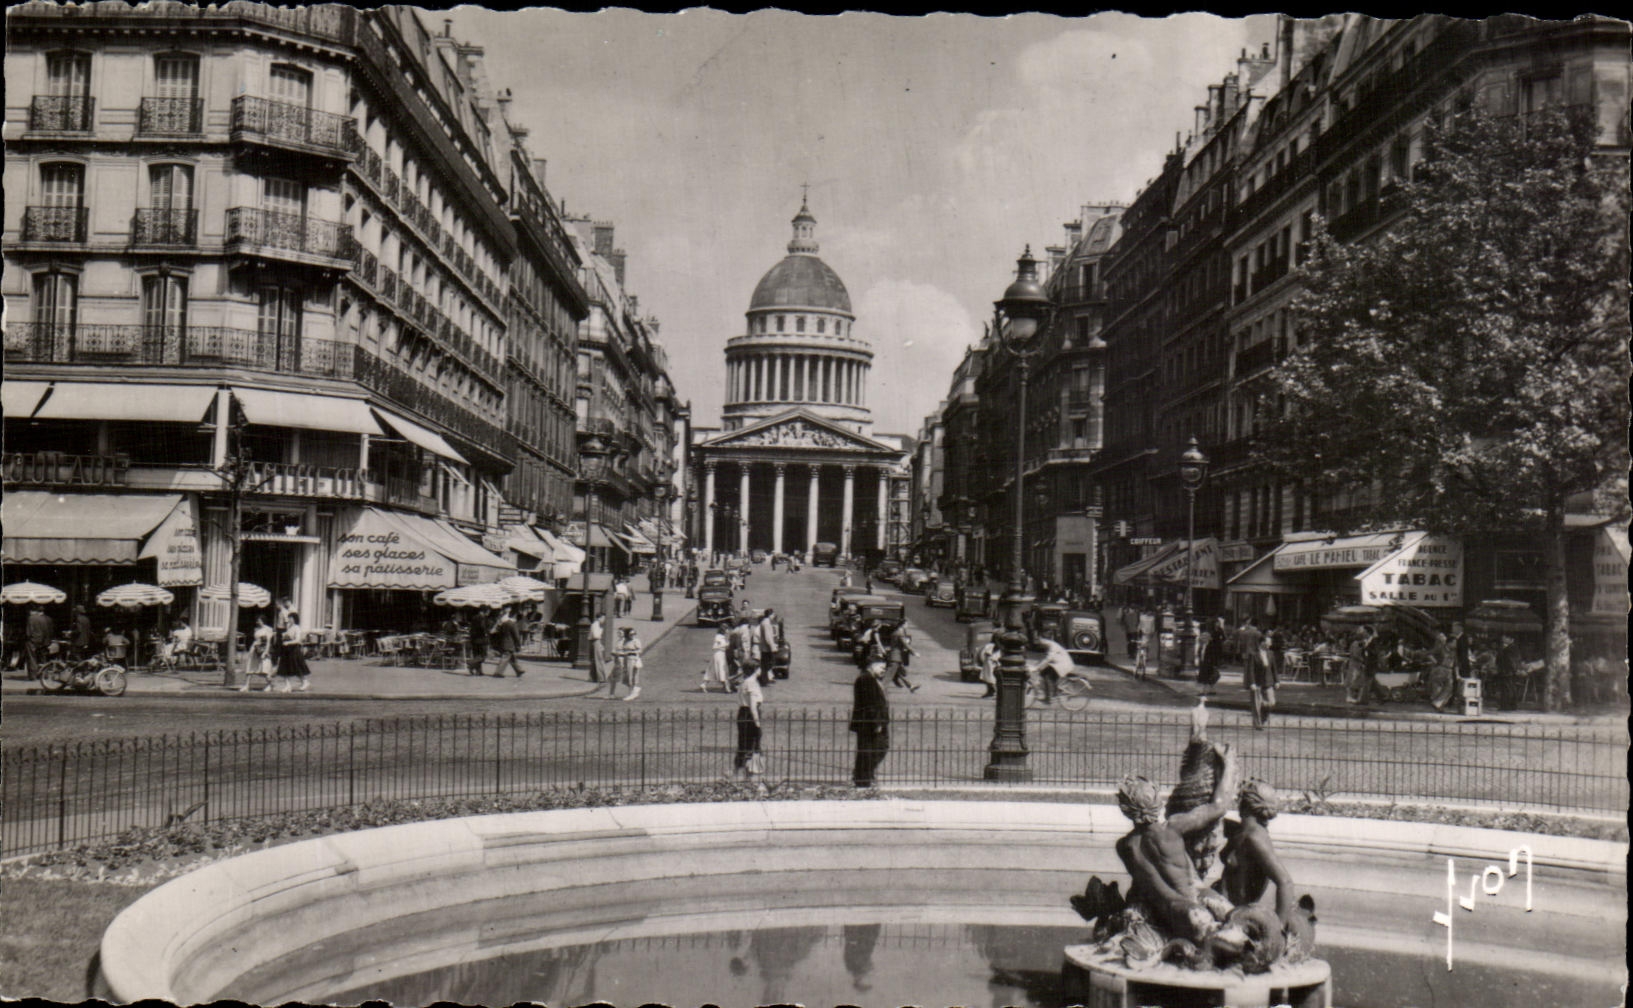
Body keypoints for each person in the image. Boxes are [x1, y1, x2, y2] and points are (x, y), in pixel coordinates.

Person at [849, 658, 890, 787]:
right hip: (869, 723)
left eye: (884, 668)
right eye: (881, 667)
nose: (884, 670)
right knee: (872, 749)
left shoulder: (871, 679)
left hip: (871, 722)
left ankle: (863, 775)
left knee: (872, 749)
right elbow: (870, 703)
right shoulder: (866, 680)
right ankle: (863, 778)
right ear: (872, 666)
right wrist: (877, 722)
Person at [733, 663, 764, 779]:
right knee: (752, 743)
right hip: (749, 714)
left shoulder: (746, 681)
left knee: (743, 743)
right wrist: (757, 722)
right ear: (755, 670)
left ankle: (740, 770)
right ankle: (750, 772)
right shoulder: (751, 683)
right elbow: (752, 704)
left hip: (743, 712)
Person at [1244, 628, 1277, 729]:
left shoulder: (1271, 654)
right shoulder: (1253, 655)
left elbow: (1274, 668)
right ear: (1262, 643)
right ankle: (1258, 724)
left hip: (1268, 682)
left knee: (1271, 702)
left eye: (1270, 643)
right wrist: (1252, 683)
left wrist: (1277, 681)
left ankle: (1263, 718)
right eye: (1268, 642)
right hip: (1257, 682)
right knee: (1256, 705)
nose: (1270, 644)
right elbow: (1250, 670)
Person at [1030, 636, 1076, 705]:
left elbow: (1048, 659)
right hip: (1058, 664)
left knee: (1047, 677)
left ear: (1044, 640)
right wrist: (1036, 665)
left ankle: (1049, 698)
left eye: (1040, 641)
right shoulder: (1049, 646)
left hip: (1063, 665)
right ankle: (1052, 694)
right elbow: (1044, 658)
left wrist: (1037, 667)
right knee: (1044, 673)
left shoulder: (1052, 647)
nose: (1040, 644)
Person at [238, 615, 277, 693]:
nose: (257, 622)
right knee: (250, 666)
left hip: (263, 650)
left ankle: (269, 684)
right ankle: (246, 685)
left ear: (263, 621)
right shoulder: (256, 629)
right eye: (257, 620)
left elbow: (268, 642)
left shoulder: (268, 629)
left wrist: (265, 652)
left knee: (265, 668)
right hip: (255, 648)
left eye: (259, 620)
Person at [275, 610, 312, 692]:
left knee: (296, 667)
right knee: (284, 668)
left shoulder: (296, 627)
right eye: (289, 618)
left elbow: (298, 640)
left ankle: (304, 682)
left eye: (291, 618)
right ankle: (287, 685)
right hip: (286, 650)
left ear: (295, 619)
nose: (289, 619)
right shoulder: (289, 627)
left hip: (294, 650)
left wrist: (288, 642)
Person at [489, 607, 525, 678]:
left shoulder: (504, 623)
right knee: (505, 657)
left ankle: (518, 670)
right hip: (510, 644)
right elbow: (516, 636)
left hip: (503, 642)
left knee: (512, 658)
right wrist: (518, 645)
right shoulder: (513, 624)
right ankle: (498, 672)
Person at [612, 626, 643, 701]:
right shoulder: (625, 641)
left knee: (632, 675)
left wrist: (631, 652)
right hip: (626, 659)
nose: (633, 635)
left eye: (634, 634)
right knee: (627, 676)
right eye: (631, 634)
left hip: (633, 659)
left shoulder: (636, 641)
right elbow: (623, 649)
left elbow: (639, 651)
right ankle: (632, 692)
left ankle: (632, 692)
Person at [24, 605, 55, 680]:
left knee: (32, 658)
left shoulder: (31, 618)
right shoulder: (46, 619)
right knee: (43, 657)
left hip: (32, 641)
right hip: (43, 641)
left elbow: (28, 632)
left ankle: (33, 676)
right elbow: (49, 631)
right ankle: (44, 674)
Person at [886, 622, 919, 692]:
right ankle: (879, 690)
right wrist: (914, 652)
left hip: (895, 656)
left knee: (899, 673)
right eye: (906, 624)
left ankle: (910, 686)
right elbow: (905, 644)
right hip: (895, 657)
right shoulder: (899, 633)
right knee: (888, 677)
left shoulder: (896, 632)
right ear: (902, 625)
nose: (907, 626)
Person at [1197, 617, 1224, 696]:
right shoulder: (1211, 634)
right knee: (1208, 673)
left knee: (1206, 673)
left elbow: (1202, 648)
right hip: (1209, 657)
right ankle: (1209, 689)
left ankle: (1204, 690)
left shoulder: (1213, 634)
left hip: (1209, 657)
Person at [703, 625, 731, 692]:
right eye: (727, 629)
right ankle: (726, 688)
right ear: (723, 630)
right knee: (721, 669)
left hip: (721, 654)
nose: (728, 631)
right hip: (719, 654)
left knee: (713, 670)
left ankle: (704, 684)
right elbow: (715, 646)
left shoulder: (722, 637)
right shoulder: (719, 637)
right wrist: (726, 644)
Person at [757, 608, 781, 676]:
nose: (773, 616)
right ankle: (764, 680)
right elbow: (768, 637)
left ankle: (765, 679)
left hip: (765, 647)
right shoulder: (766, 623)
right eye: (773, 614)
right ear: (770, 615)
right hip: (766, 648)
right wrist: (773, 647)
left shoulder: (765, 622)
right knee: (766, 664)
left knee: (765, 664)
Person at [587, 611, 606, 683]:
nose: (604, 620)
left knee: (595, 659)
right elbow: (595, 636)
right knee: (599, 659)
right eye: (603, 618)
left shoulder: (596, 625)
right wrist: (601, 631)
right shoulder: (595, 625)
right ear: (599, 618)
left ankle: (593, 677)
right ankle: (601, 678)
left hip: (596, 642)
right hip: (595, 641)